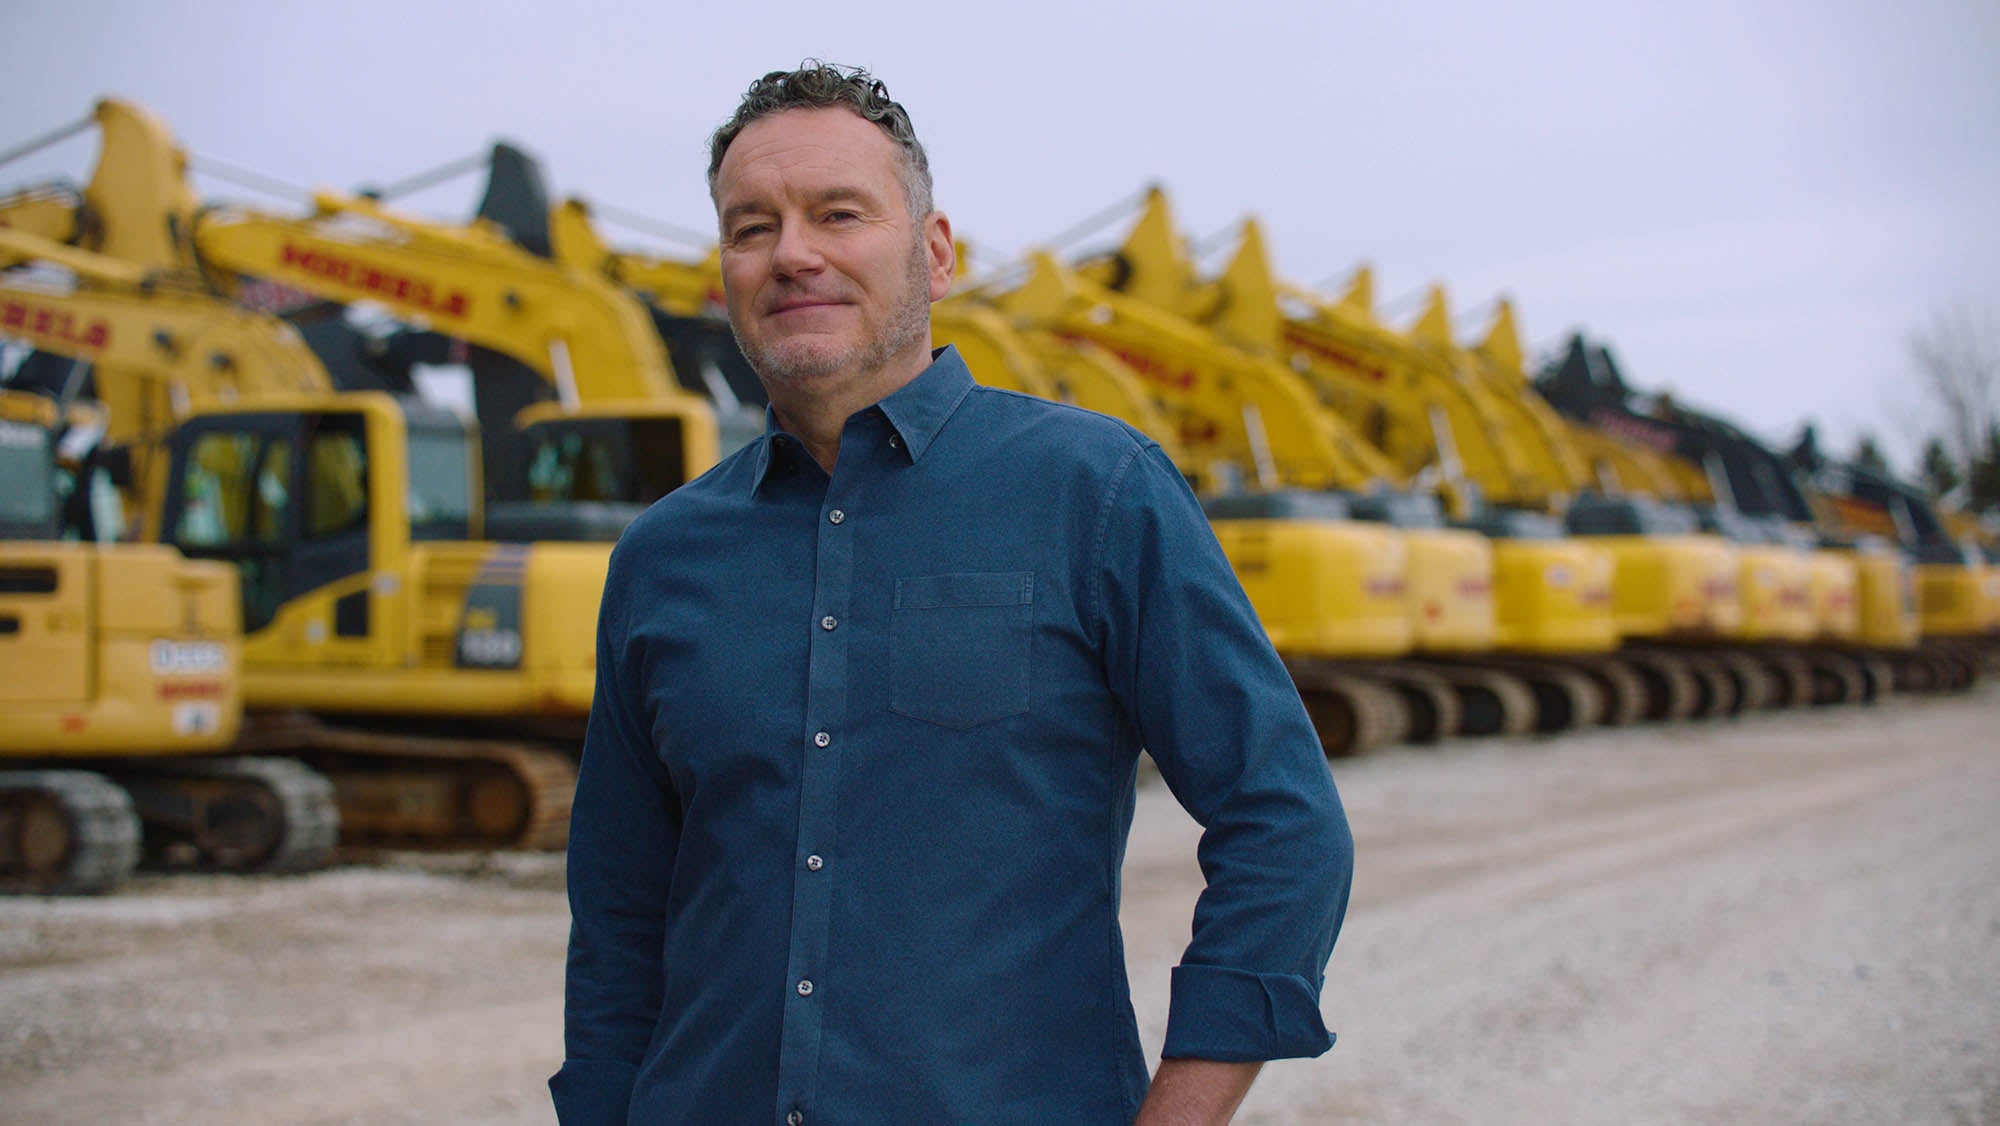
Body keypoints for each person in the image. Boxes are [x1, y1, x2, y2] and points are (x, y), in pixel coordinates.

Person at [553, 62, 1354, 1125]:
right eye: (752, 227)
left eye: (838, 213)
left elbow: (1284, 826)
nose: (792, 253)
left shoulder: (1093, 491)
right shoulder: (662, 556)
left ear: (934, 252)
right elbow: (618, 917)